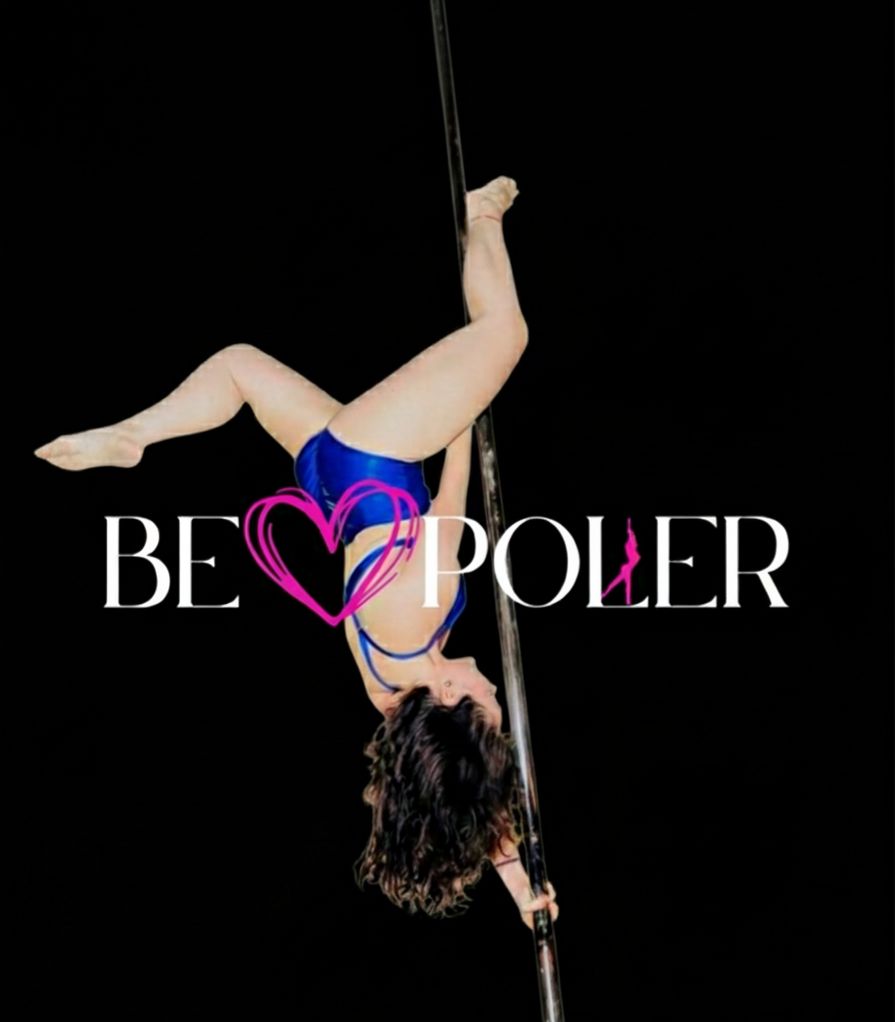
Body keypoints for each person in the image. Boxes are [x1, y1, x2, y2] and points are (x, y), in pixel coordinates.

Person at [34, 176, 559, 929]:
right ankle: (138, 434)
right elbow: (460, 784)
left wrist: (468, 401)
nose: (492, 692)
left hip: (377, 455)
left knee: (505, 334)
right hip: (331, 479)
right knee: (241, 367)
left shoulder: (426, 608)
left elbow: (453, 497)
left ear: (451, 698)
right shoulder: (391, 695)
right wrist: (517, 883)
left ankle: (480, 212)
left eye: (487, 703)